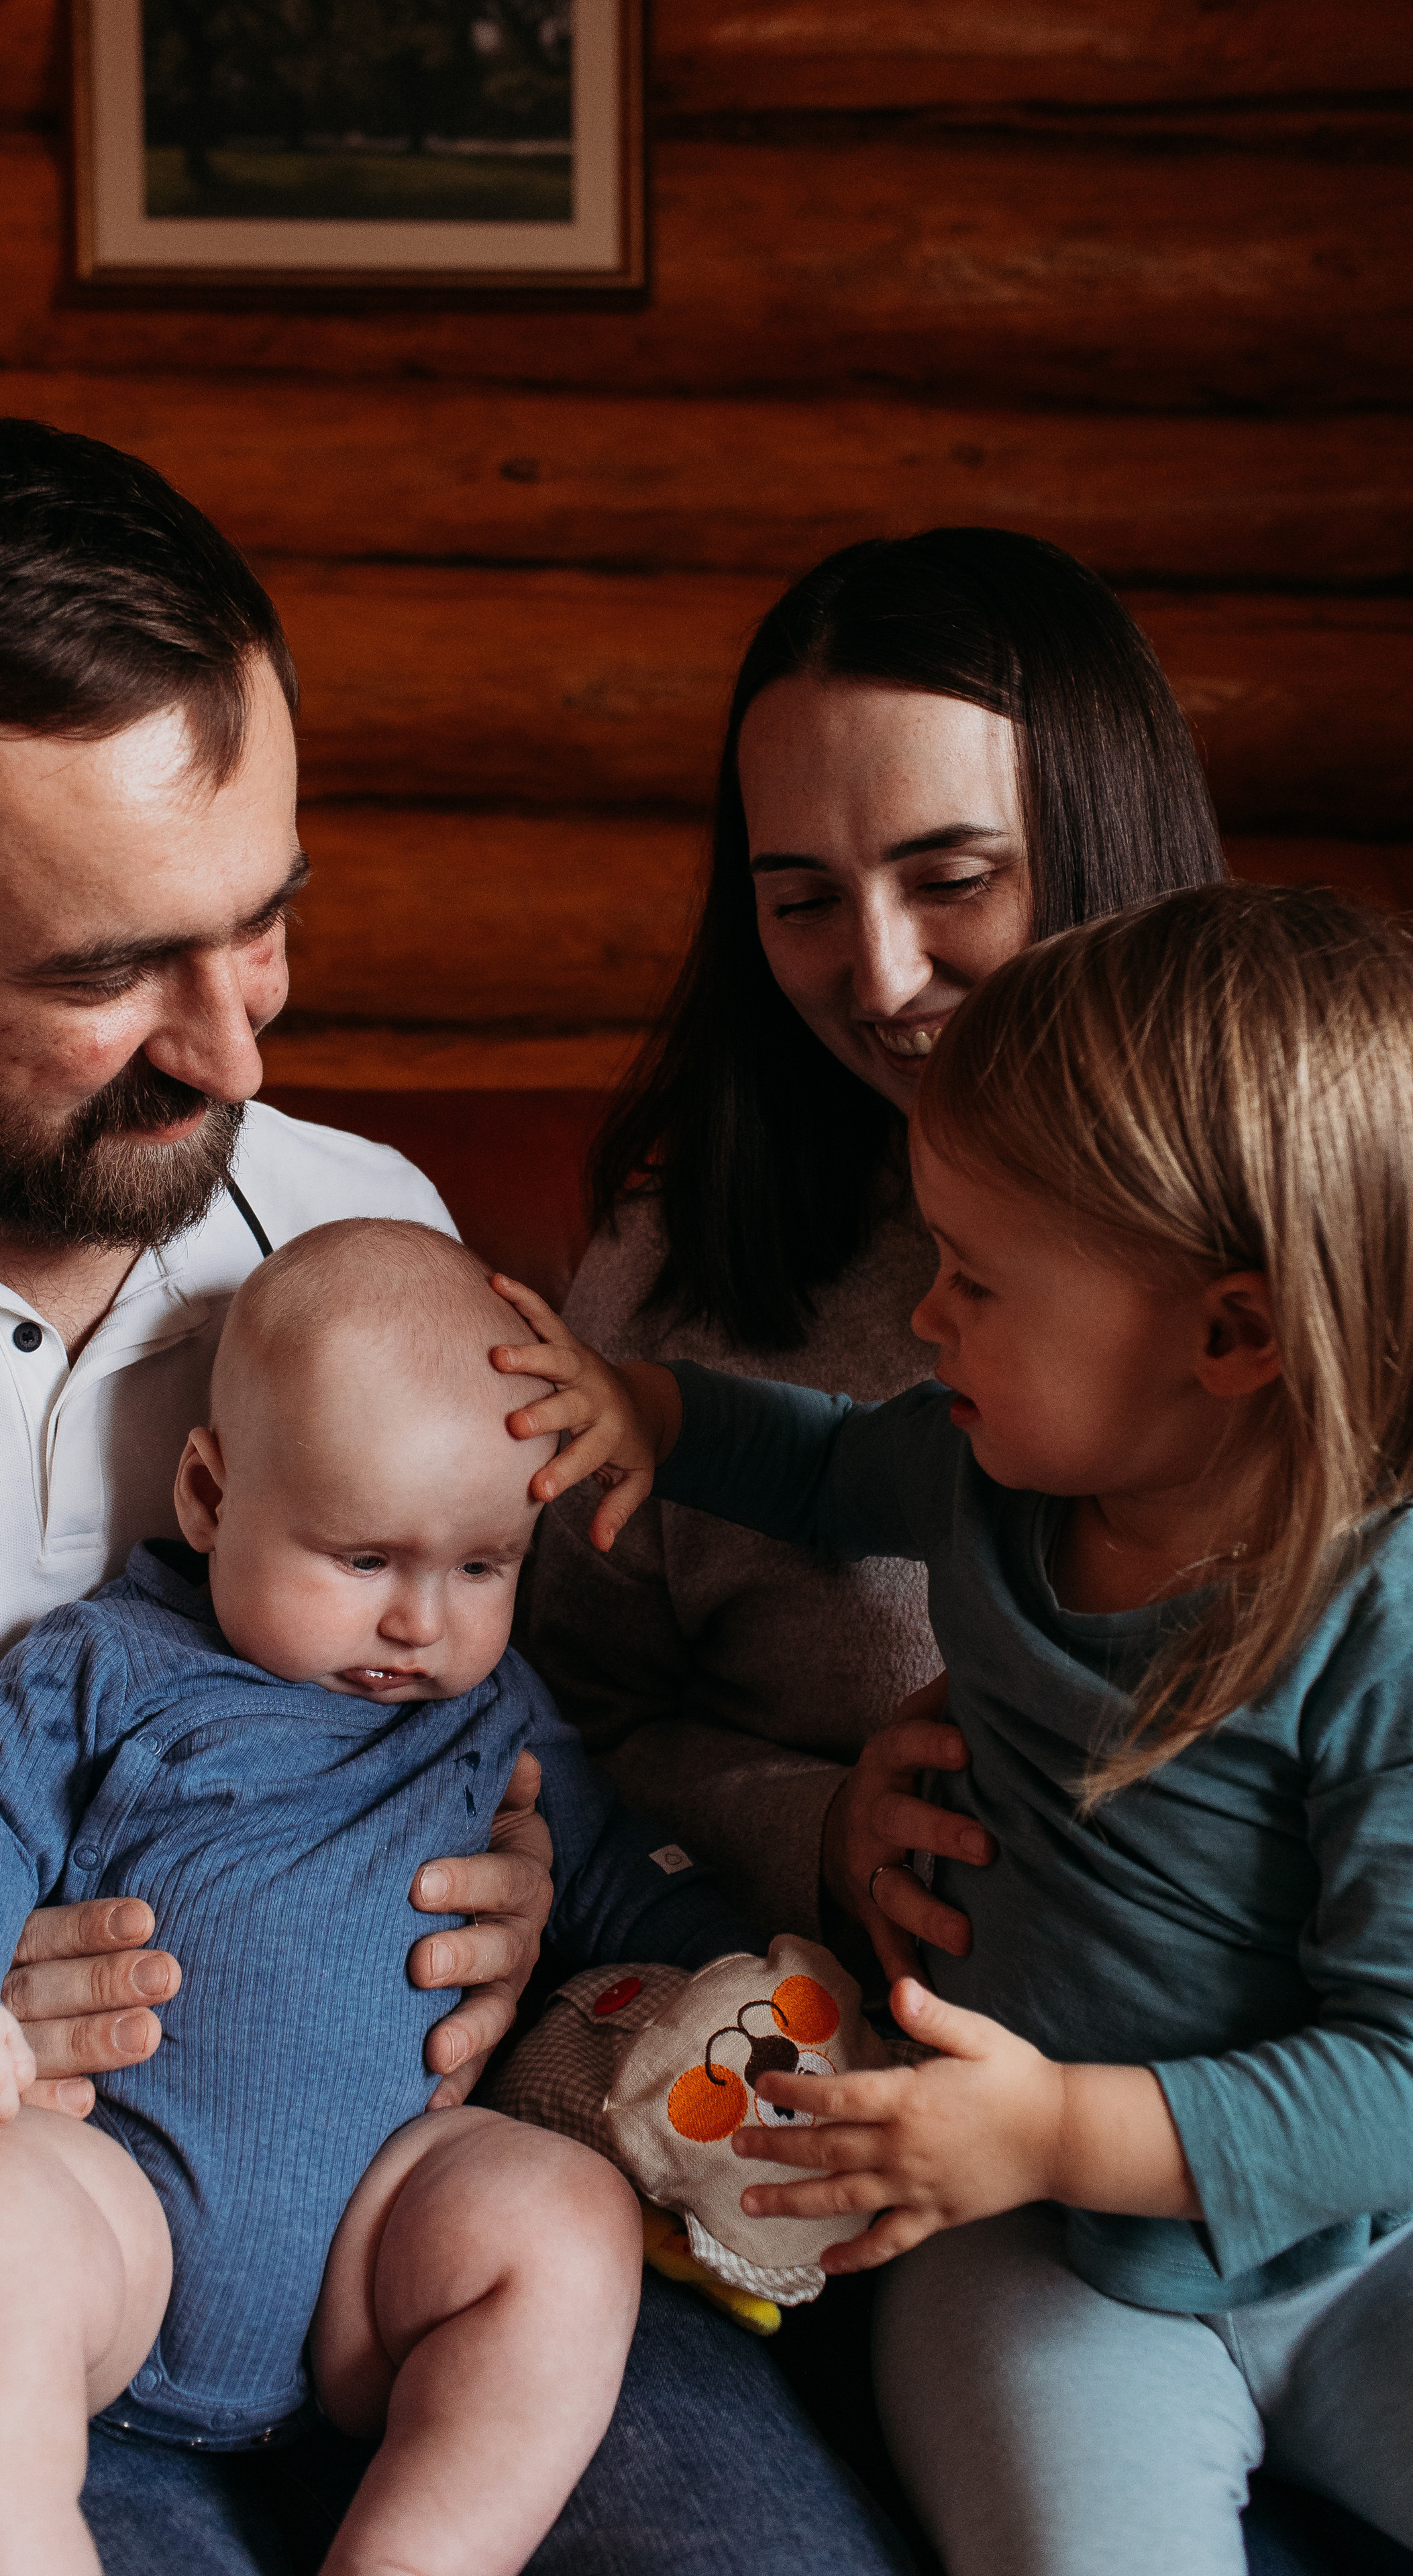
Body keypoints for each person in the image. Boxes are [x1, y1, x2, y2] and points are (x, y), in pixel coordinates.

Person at [0, 420, 914, 2576]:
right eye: (103, 972)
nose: (240, 1057)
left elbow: (527, 1740)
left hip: (380, 2210)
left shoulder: (364, 1229)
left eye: (264, 924)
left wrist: (537, 1920)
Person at [499, 883, 1413, 2573]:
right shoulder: (987, 1477)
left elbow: (1395, 2082)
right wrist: (643, 1408)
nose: (923, 1316)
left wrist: (1060, 2120)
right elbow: (810, 1457)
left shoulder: (1379, 1628)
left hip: (1359, 2254)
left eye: (974, 1281)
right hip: (1022, 2238)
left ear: (1228, 1335)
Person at [0, 1221, 760, 2576]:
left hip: (377, 2255)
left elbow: (617, 1869)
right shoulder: (107, 1668)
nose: (419, 1623)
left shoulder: (493, 1711)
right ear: (209, 1495)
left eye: (482, 1567)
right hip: (108, 2211)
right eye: (363, 1559)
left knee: (566, 2217)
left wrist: (745, 1971)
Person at [520, 529, 1226, 1941]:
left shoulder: (1338, 1238)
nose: (883, 979)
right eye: (802, 903)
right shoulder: (673, 1275)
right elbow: (553, 1722)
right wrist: (818, 1832)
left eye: (952, 879)